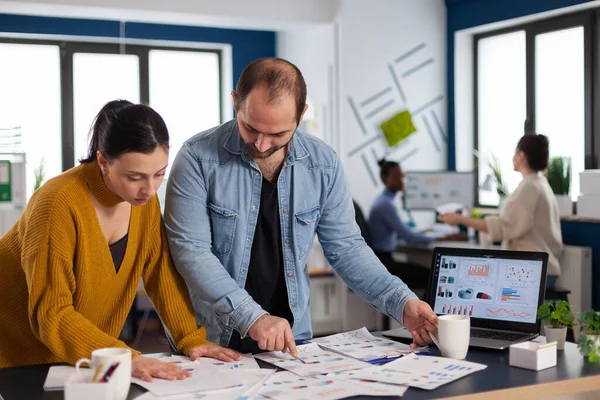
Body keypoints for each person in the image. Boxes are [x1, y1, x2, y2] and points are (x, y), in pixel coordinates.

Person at [164, 57, 438, 356]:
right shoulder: (197, 158)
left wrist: (402, 301)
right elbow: (191, 251)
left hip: (292, 339)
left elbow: (347, 248)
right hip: (211, 338)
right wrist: (252, 316)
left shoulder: (323, 164)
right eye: (250, 128)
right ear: (234, 101)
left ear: (302, 113)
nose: (262, 144)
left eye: (278, 134)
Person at [0, 100, 241, 379]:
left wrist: (191, 338)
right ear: (103, 161)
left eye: (159, 174)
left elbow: (160, 273)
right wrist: (125, 358)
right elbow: (51, 313)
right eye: (134, 177)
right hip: (13, 357)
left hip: (78, 361)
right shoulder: (57, 202)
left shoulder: (143, 203)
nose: (149, 189)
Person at [439, 133, 563, 288]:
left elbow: (504, 227)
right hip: (537, 267)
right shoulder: (540, 183)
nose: (513, 157)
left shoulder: (529, 187)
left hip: (531, 270)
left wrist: (460, 219)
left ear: (521, 156)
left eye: (514, 153)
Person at [369, 159, 462, 290]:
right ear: (384, 180)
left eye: (402, 175)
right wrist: (442, 238)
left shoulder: (384, 201)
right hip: (385, 264)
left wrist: (424, 233)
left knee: (430, 275)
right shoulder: (386, 205)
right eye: (396, 176)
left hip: (383, 260)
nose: (402, 180)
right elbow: (409, 237)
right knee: (433, 277)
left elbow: (404, 232)